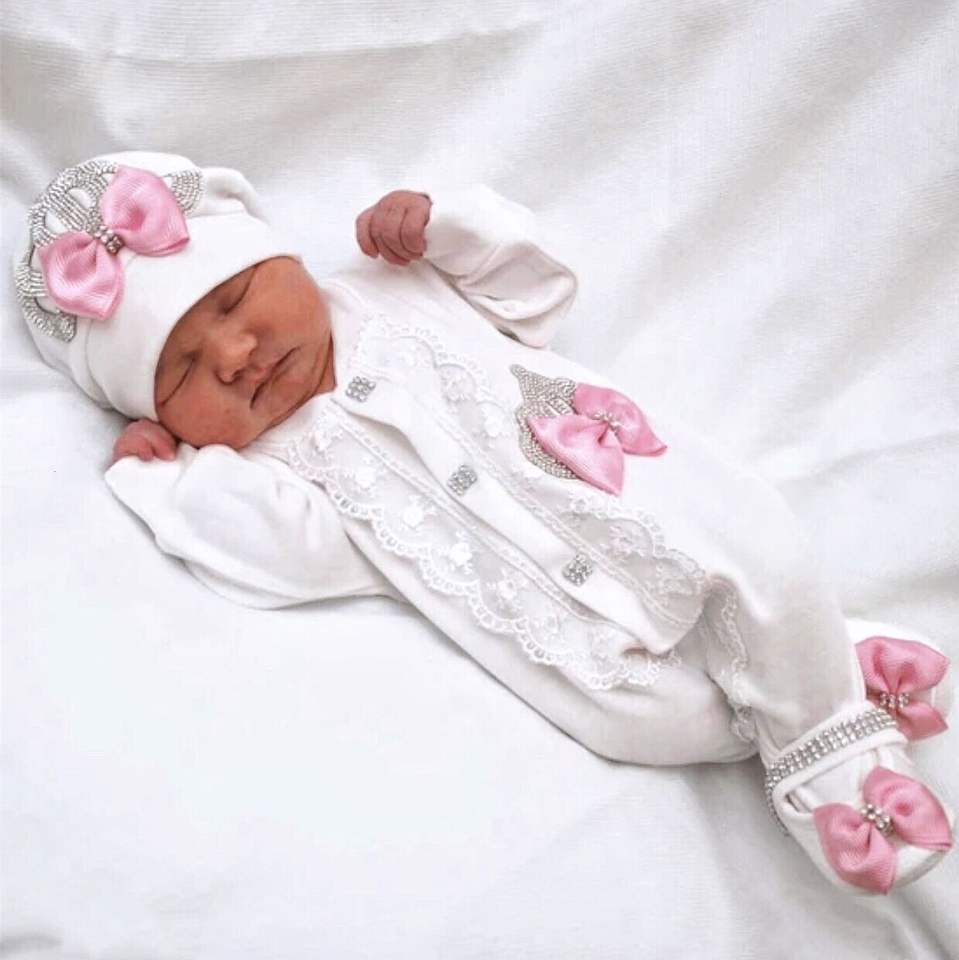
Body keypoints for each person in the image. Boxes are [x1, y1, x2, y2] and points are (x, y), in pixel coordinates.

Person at [14, 150, 954, 895]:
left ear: (283, 255)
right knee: (653, 723)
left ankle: (843, 775)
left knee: (758, 559)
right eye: (181, 371)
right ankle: (828, 670)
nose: (234, 353)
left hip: (635, 501)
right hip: (555, 635)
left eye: (230, 298)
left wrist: (446, 228)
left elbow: (537, 290)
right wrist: (170, 486)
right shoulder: (272, 465)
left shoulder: (389, 288)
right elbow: (290, 558)